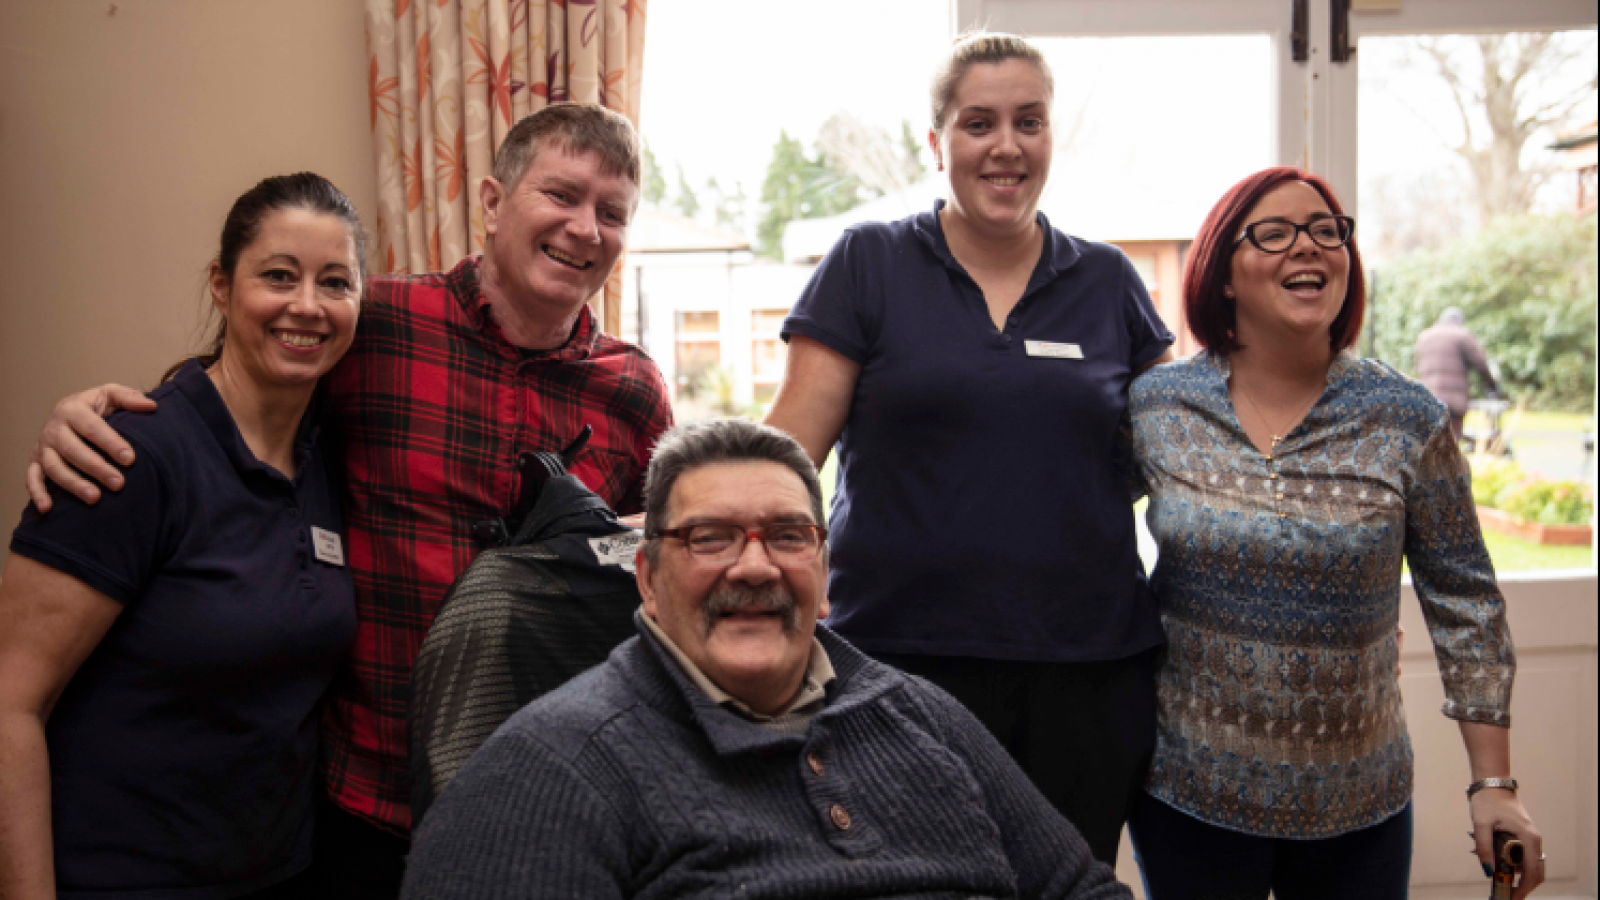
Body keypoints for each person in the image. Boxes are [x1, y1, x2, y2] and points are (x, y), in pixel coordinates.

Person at [22, 103, 673, 897]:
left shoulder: (635, 393)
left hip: (536, 804)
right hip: (359, 807)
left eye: (612, 213)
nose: (585, 228)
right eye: (562, 196)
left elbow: (650, 581)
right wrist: (89, 413)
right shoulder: (376, 322)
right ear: (494, 203)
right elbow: (241, 384)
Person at [400, 418, 1132, 900]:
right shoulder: (547, 771)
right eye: (711, 537)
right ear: (649, 578)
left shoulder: (921, 714)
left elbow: (1079, 889)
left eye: (786, 536)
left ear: (822, 573)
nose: (754, 567)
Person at [763, 32, 1174, 863]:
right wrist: (676, 518)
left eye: (1030, 121)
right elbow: (787, 455)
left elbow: (1185, 458)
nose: (1006, 146)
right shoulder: (868, 262)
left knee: (1065, 881)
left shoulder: (1107, 282)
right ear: (937, 141)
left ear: (1052, 136)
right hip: (898, 664)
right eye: (978, 123)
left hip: (1087, 671)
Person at [1125, 167, 1542, 900]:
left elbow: (1467, 604)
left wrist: (1495, 784)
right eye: (1276, 233)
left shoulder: (1405, 417)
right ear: (1223, 273)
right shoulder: (1159, 407)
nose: (1308, 248)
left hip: (1358, 801)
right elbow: (1072, 528)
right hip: (1188, 790)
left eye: (1327, 231)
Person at [0, 174, 364, 899]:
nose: (307, 306)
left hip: (280, 875)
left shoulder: (330, 460)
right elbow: (9, 707)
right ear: (222, 286)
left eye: (336, 282)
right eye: (279, 276)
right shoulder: (128, 457)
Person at [1415, 306, 1501, 440]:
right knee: (1453, 440)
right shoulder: (1461, 335)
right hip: (1453, 400)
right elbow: (1480, 364)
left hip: (1428, 396)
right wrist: (1492, 385)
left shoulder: (1424, 336)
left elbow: (1419, 364)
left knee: (1431, 440)